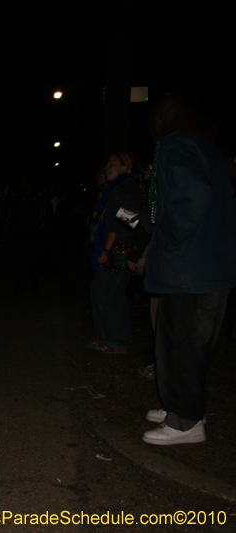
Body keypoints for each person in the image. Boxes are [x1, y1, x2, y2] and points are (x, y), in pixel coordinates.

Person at [141, 94, 236, 445]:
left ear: (162, 119)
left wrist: (165, 239)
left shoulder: (175, 142)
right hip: (211, 266)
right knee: (194, 347)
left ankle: (186, 422)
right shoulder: (205, 146)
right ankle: (184, 406)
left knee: (180, 345)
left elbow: (191, 197)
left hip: (188, 269)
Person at [86, 152, 143, 354]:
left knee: (102, 292)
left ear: (125, 168)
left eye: (112, 164)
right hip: (121, 250)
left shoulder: (125, 189)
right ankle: (116, 339)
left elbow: (124, 221)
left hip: (118, 251)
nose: (107, 168)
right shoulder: (121, 189)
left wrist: (107, 249)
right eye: (106, 164)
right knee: (115, 294)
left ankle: (111, 340)